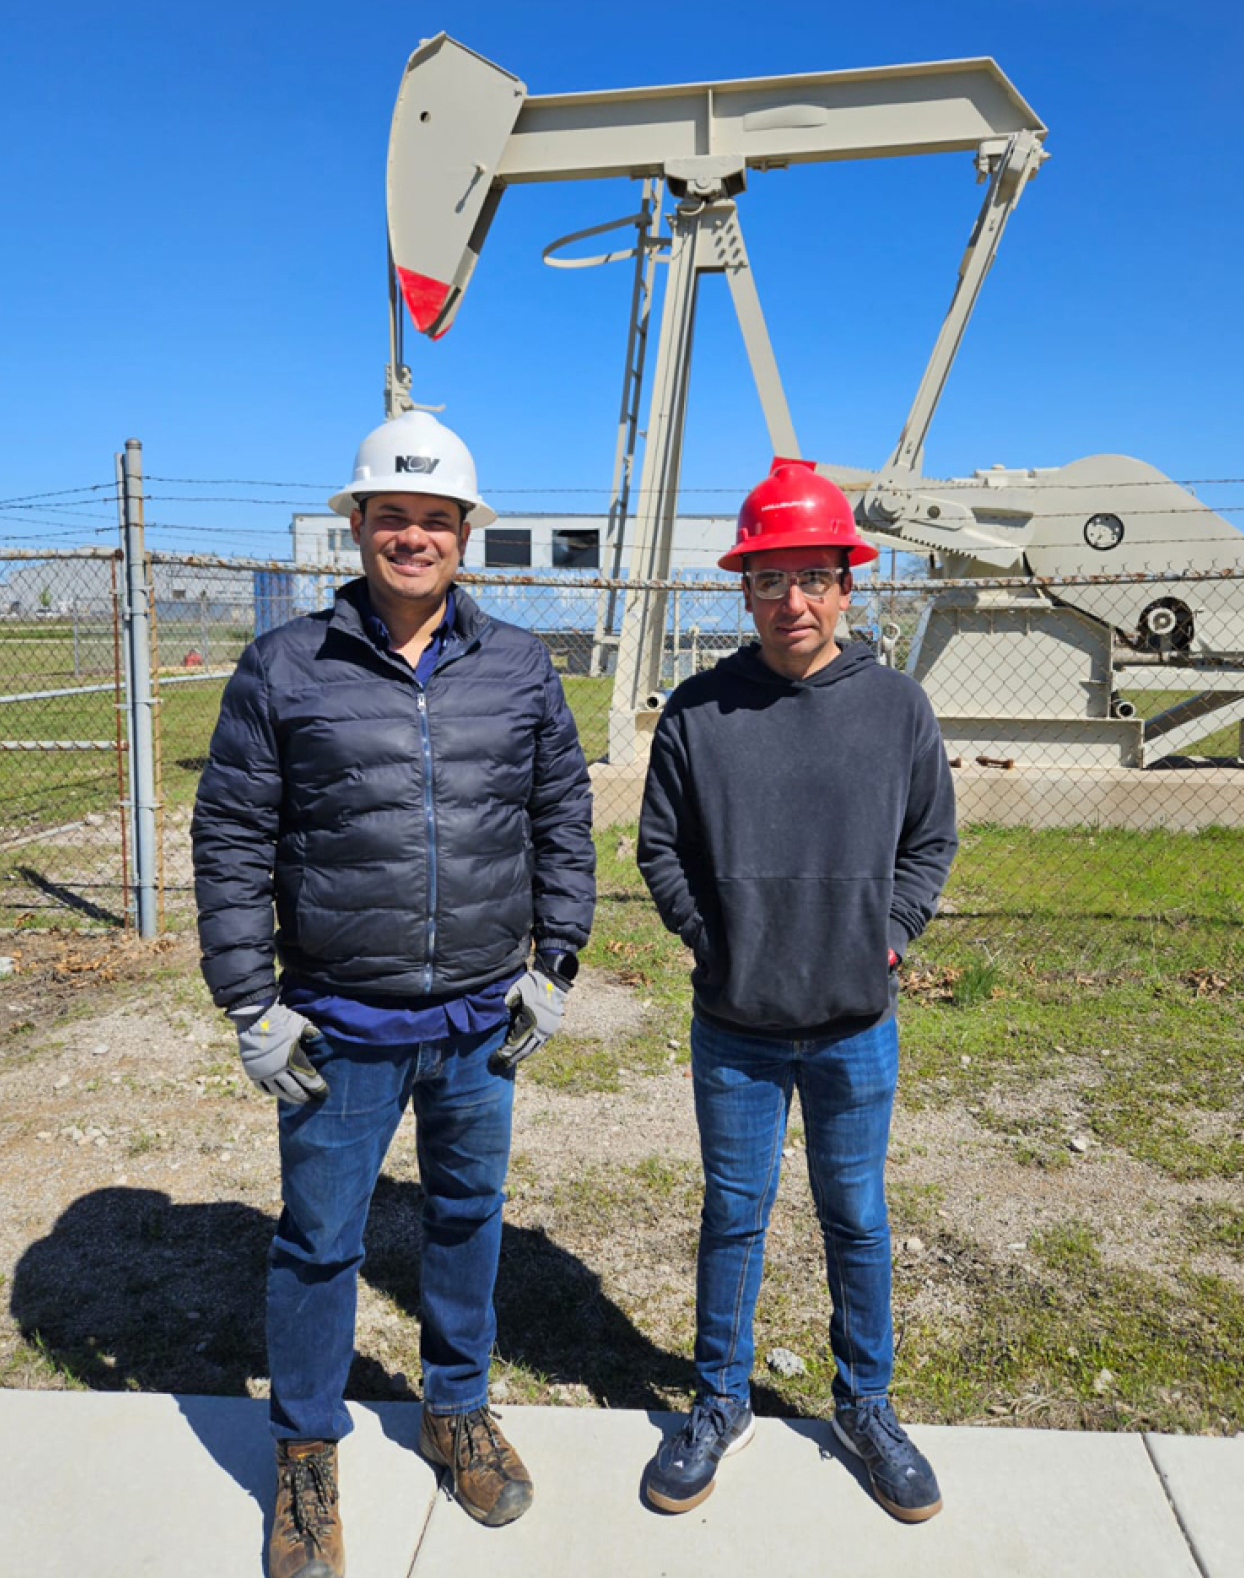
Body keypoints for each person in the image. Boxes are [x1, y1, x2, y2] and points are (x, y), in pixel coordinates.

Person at [192, 410, 595, 1578]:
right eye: (391, 516)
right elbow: (230, 837)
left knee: (468, 1219)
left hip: (479, 1021)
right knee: (321, 1243)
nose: (412, 536)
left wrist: (553, 961)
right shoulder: (286, 666)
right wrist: (249, 1003)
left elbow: (561, 817)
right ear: (356, 525)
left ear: (466, 534)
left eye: (434, 518)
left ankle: (455, 1407)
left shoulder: (519, 667)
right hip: (343, 1026)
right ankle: (306, 1456)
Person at [636, 456, 957, 1523]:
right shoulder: (699, 710)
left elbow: (929, 842)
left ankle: (866, 1404)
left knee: (855, 1216)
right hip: (735, 1027)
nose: (794, 602)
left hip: (856, 1028)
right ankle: (719, 1399)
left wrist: (892, 935)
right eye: (771, 580)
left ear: (849, 586)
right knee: (735, 1214)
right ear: (744, 589)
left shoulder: (897, 708)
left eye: (814, 576)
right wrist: (710, 943)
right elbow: (659, 848)